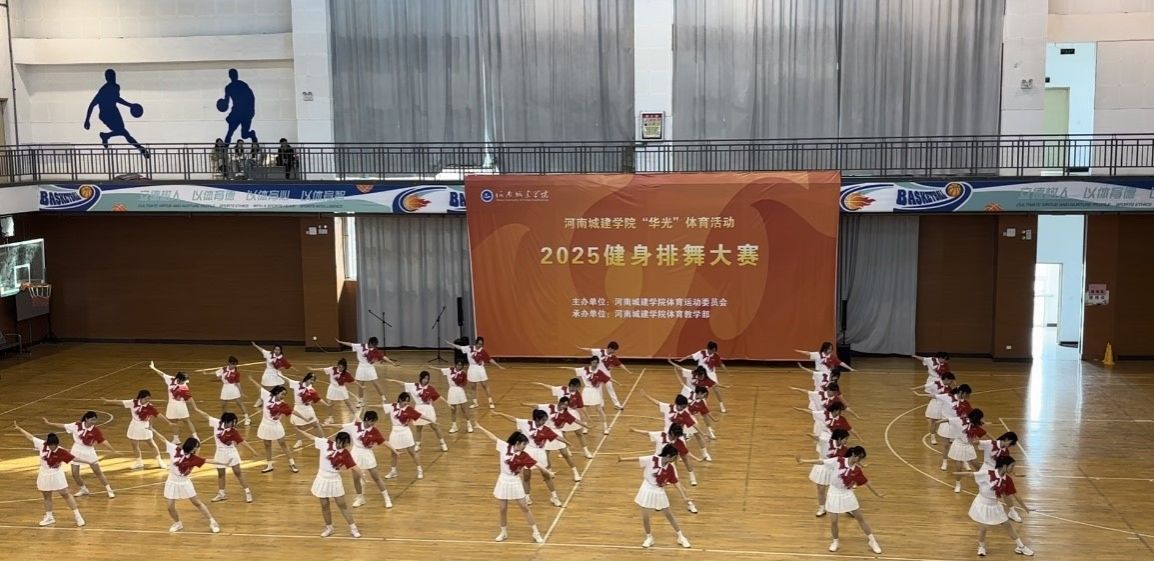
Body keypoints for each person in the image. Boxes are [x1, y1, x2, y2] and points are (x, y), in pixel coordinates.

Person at [798, 445, 883, 554]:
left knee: (860, 518)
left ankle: (872, 541)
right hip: (833, 493)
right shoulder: (838, 461)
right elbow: (821, 462)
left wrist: (877, 494)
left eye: (861, 458)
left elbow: (866, 482)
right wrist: (803, 461)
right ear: (854, 454)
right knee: (834, 521)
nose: (859, 460)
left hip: (847, 494)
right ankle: (835, 541)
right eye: (859, 457)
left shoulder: (857, 470)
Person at [473, 423, 549, 544]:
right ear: (517, 443)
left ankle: (536, 533)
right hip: (503, 480)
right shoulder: (504, 447)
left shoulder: (524, 456)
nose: (525, 447)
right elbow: (492, 437)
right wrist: (481, 427)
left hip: (515, 481)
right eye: (523, 444)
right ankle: (503, 532)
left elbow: (537, 464)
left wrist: (548, 472)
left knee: (525, 507)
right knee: (502, 508)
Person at [14, 423, 92, 527]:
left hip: (56, 474)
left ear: (56, 444)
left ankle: (78, 516)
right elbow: (31, 437)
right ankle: (49, 517)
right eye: (49, 445)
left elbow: (74, 458)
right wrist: (20, 429)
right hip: (44, 473)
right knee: (46, 495)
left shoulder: (61, 451)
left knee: (65, 494)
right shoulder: (42, 445)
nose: (50, 447)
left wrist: (88, 461)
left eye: (52, 446)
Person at [617, 444, 694, 548]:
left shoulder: (670, 468)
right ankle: (649, 538)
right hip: (647, 488)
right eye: (674, 457)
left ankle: (681, 537)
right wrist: (622, 459)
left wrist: (684, 497)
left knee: (669, 515)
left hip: (659, 491)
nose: (675, 459)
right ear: (668, 456)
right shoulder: (652, 459)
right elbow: (637, 459)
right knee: (645, 516)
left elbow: (676, 483)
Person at [291, 426, 362, 538]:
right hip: (322, 477)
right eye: (344, 443)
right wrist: (299, 430)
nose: (345, 446)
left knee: (342, 504)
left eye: (346, 444)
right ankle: (329, 528)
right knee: (324, 505)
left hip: (334, 479)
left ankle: (353, 528)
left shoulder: (345, 453)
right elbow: (311, 437)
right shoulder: (325, 443)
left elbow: (354, 466)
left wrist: (363, 476)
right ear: (338, 441)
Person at [957, 457, 1035, 556]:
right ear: (1004, 466)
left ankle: (1021, 546)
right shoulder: (988, 473)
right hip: (982, 503)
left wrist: (1025, 507)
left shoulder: (1008, 480)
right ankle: (981, 546)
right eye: (1012, 466)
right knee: (983, 527)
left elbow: (1015, 494)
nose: (1013, 468)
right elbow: (970, 474)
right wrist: (955, 474)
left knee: (1007, 525)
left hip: (995, 505)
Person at [40, 412, 119, 499]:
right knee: (74, 473)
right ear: (86, 419)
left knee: (97, 471)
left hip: (89, 451)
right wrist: (49, 423)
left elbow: (103, 441)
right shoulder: (76, 425)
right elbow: (63, 426)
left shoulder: (95, 430)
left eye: (95, 420)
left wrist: (113, 450)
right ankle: (83, 489)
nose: (94, 422)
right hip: (76, 449)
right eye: (92, 420)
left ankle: (109, 490)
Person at [329, 410, 394, 509]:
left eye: (374, 421)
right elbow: (341, 426)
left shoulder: (374, 431)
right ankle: (360, 498)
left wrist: (394, 450)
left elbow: (383, 441)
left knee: (376, 477)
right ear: (366, 419)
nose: (373, 423)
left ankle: (386, 497)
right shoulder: (354, 426)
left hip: (368, 454)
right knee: (356, 478)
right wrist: (328, 425)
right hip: (356, 453)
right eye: (372, 421)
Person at [191, 409, 257, 504]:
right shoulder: (216, 423)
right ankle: (221, 494)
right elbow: (206, 416)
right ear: (226, 421)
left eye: (235, 422)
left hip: (231, 453)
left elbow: (242, 442)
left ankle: (248, 492)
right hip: (220, 453)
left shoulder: (234, 431)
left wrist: (253, 451)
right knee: (221, 474)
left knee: (238, 473)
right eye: (232, 422)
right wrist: (196, 409)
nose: (234, 424)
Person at [162, 437, 225, 533]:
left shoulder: (194, 458)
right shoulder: (175, 450)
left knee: (197, 503)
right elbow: (164, 439)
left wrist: (225, 462)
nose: (196, 449)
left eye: (197, 447)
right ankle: (177, 523)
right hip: (171, 481)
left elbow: (209, 461)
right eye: (195, 447)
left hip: (185, 482)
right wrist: (153, 430)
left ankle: (212, 522)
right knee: (170, 506)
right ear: (190, 446)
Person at [83, 68, 149, 158]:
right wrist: (87, 120)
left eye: (113, 76)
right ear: (107, 78)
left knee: (124, 132)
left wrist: (130, 105)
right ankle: (141, 149)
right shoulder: (103, 90)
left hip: (114, 111)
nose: (113, 78)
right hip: (106, 114)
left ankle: (106, 135)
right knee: (124, 132)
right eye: (110, 77)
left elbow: (117, 99)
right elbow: (92, 104)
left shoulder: (116, 87)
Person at [102, 390, 171, 469]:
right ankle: (139, 462)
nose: (148, 400)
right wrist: (107, 401)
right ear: (141, 398)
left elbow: (158, 415)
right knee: (134, 444)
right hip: (134, 425)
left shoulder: (150, 406)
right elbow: (120, 402)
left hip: (145, 426)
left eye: (149, 398)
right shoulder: (133, 402)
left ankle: (159, 461)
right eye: (146, 398)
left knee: (151, 443)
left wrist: (168, 422)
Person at [384, 371, 448, 452]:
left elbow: (438, 396)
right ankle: (418, 444)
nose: (426, 380)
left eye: (427, 379)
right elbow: (403, 383)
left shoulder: (430, 388)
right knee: (418, 428)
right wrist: (393, 380)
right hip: (419, 408)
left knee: (434, 426)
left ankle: (443, 443)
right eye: (424, 378)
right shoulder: (413, 386)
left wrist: (447, 403)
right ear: (420, 378)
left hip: (428, 409)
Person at [628, 423, 703, 487]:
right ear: (672, 433)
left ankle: (691, 479)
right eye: (676, 435)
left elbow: (686, 453)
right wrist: (635, 430)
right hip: (656, 461)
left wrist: (697, 459)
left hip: (668, 463)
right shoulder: (661, 435)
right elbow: (648, 433)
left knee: (676, 481)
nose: (677, 437)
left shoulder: (679, 443)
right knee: (652, 480)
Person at [249, 380, 299, 474]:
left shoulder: (283, 405)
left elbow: (293, 411)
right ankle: (269, 465)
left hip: (276, 426)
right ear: (277, 392)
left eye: (285, 395)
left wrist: (305, 418)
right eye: (282, 394)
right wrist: (252, 380)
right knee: (267, 445)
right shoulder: (267, 396)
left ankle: (292, 463)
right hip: (265, 425)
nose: (283, 396)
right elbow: (259, 387)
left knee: (283, 444)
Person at [337, 337, 397, 408]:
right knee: (360, 384)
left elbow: (383, 357)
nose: (374, 347)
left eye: (375, 345)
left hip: (370, 367)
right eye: (373, 345)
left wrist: (392, 363)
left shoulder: (375, 350)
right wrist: (340, 342)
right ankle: (360, 401)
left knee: (376, 383)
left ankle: (384, 399)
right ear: (370, 343)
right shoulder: (360, 346)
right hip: (361, 367)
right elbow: (350, 344)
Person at [802, 428, 850, 517]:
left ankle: (847, 508)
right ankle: (822, 508)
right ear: (839, 438)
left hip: (835, 469)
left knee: (842, 490)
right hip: (823, 467)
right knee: (821, 489)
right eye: (845, 439)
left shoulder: (845, 449)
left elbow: (847, 461)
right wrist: (807, 433)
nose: (847, 441)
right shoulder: (826, 442)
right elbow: (817, 438)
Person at [448, 336, 505, 409]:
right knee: (473, 386)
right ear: (476, 343)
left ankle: (490, 402)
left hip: (480, 369)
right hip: (472, 368)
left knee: (485, 385)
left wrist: (498, 366)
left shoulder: (483, 351)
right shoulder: (470, 348)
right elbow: (460, 347)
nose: (479, 345)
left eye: (481, 344)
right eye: (478, 344)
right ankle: (475, 403)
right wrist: (451, 344)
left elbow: (490, 359)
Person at [277, 371, 328, 449]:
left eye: (313, 380)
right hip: (298, 407)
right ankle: (299, 441)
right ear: (307, 378)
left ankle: (323, 440)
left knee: (315, 424)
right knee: (297, 426)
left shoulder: (311, 389)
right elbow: (288, 380)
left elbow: (318, 398)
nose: (312, 381)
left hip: (307, 409)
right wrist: (280, 375)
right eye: (311, 379)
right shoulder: (297, 384)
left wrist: (327, 405)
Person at [149, 362, 200, 440]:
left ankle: (195, 436)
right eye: (183, 380)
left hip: (181, 405)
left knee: (187, 421)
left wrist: (195, 407)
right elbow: (162, 374)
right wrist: (153, 368)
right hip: (172, 405)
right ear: (179, 379)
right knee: (174, 422)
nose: (184, 382)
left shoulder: (184, 387)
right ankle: (176, 439)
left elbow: (190, 398)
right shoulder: (171, 379)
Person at [675, 341, 730, 412]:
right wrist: (682, 359)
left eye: (714, 350)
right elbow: (692, 356)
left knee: (716, 389)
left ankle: (721, 405)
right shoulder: (702, 352)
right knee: (699, 390)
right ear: (708, 348)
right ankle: (696, 405)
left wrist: (727, 372)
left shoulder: (716, 355)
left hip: (711, 374)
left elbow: (721, 364)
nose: (712, 352)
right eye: (711, 350)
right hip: (701, 374)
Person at [562, 356, 610, 435]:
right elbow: (574, 369)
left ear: (598, 363)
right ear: (591, 362)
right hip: (586, 391)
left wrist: (618, 383)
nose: (595, 364)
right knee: (584, 410)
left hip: (595, 391)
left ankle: (606, 428)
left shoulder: (599, 372)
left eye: (596, 363)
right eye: (593, 362)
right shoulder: (584, 369)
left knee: (599, 409)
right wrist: (564, 367)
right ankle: (585, 427)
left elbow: (607, 379)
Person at [382, 392, 425, 480]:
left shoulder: (409, 409)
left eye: (408, 401)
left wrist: (431, 420)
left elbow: (420, 415)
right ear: (400, 400)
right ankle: (393, 471)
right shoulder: (393, 406)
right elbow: (381, 407)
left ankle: (420, 470)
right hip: (395, 431)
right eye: (405, 401)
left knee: (412, 452)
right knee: (394, 452)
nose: (406, 403)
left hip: (405, 431)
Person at [578, 342, 631, 410]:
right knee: (599, 391)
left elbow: (620, 364)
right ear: (610, 348)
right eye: (614, 350)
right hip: (597, 375)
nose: (614, 352)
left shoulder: (613, 357)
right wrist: (580, 348)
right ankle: (601, 405)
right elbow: (589, 349)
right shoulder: (600, 351)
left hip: (607, 376)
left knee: (611, 389)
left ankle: (617, 404)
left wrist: (628, 371)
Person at [219, 68, 258, 145]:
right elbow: (226, 102)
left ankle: (252, 134)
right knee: (230, 131)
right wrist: (222, 104)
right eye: (232, 75)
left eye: (235, 74)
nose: (234, 76)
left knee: (244, 135)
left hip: (245, 112)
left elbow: (251, 98)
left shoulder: (242, 85)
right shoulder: (229, 87)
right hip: (236, 112)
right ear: (230, 76)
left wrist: (251, 111)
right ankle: (225, 149)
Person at [209, 356, 250, 425]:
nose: (234, 366)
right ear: (229, 363)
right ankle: (225, 419)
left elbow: (238, 383)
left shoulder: (236, 372)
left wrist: (241, 392)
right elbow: (216, 372)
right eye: (232, 364)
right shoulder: (223, 369)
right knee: (223, 405)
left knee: (239, 403)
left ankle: (247, 418)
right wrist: (207, 373)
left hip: (233, 387)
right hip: (225, 388)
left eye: (235, 364)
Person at [440, 360, 474, 433]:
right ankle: (454, 426)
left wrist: (467, 392)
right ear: (455, 365)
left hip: (460, 390)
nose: (459, 366)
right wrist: (430, 367)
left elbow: (465, 384)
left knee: (464, 408)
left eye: (461, 365)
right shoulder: (450, 370)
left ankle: (469, 425)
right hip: (452, 391)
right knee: (453, 410)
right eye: (458, 365)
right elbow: (440, 370)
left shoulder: (463, 373)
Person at [322, 358, 358, 423]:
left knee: (348, 403)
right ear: (338, 365)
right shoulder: (332, 369)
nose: (340, 368)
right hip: (332, 388)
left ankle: (356, 416)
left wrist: (361, 386)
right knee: (330, 403)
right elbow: (323, 369)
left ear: (344, 367)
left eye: (342, 367)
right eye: (339, 367)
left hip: (341, 389)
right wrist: (313, 369)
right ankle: (330, 418)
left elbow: (353, 381)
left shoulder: (346, 373)